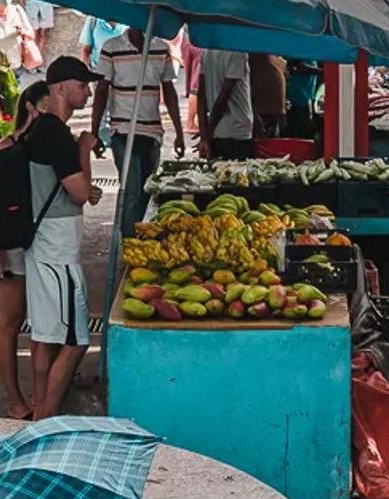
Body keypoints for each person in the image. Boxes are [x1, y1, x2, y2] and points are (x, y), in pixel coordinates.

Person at [17, 54, 98, 419]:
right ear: (62, 88)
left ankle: (39, 410)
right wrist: (84, 150)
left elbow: (69, 187)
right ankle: (47, 417)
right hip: (57, 248)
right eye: (83, 86)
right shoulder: (59, 136)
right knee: (75, 340)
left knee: (45, 334)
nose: (88, 92)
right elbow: (80, 192)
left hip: (41, 241)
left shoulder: (39, 129)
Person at [89, 25, 185, 246]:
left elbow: (168, 90)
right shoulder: (112, 48)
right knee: (131, 192)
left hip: (152, 132)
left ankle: (145, 240)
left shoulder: (161, 49)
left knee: (148, 191)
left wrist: (179, 132)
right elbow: (102, 90)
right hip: (123, 131)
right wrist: (95, 131)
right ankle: (130, 245)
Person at [0, 80, 47, 421]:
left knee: (40, 323)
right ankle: (16, 401)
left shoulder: (49, 142)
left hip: (40, 242)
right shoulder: (6, 146)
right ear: (31, 107)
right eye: (45, 105)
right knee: (12, 322)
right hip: (13, 244)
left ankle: (40, 400)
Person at [197, 48, 254, 159]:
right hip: (237, 128)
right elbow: (224, 96)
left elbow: (201, 96)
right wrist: (207, 134)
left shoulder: (207, 52)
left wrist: (204, 135)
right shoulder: (238, 53)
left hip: (218, 131)